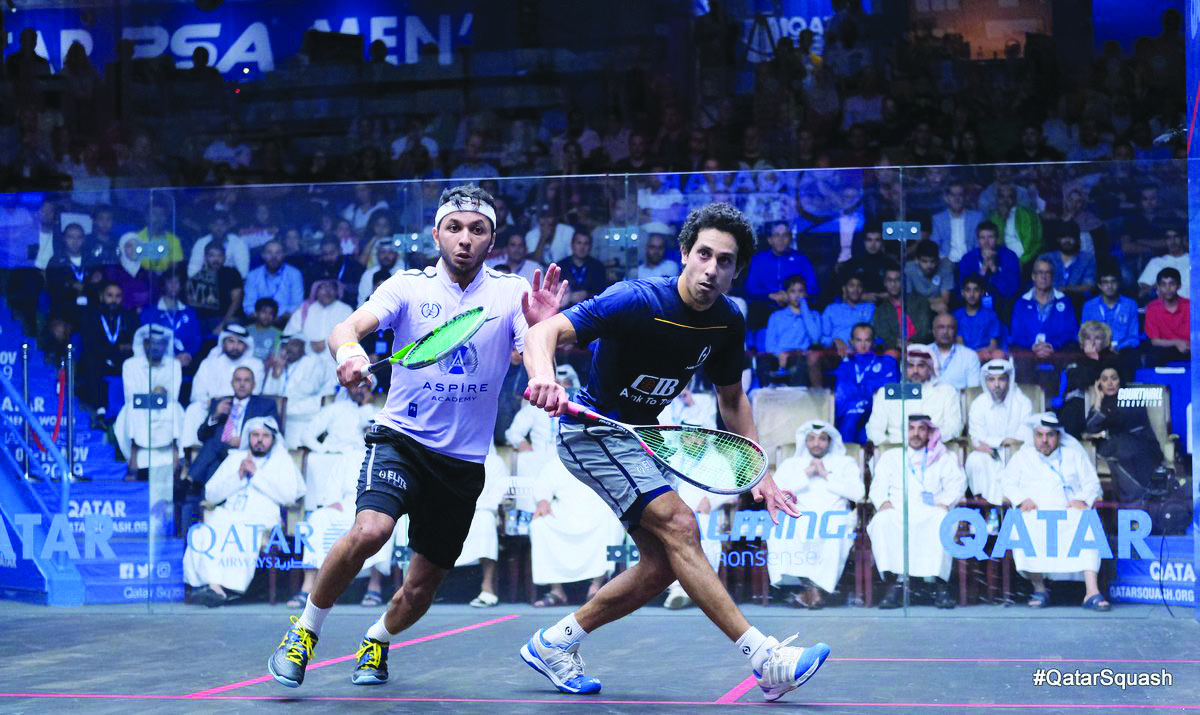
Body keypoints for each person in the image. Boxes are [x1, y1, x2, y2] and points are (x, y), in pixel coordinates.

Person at [521, 202, 828, 702]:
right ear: (684, 252)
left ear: (736, 270)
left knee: (662, 566)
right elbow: (543, 331)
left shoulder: (727, 321)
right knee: (682, 525)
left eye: (725, 261)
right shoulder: (636, 299)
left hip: (642, 438)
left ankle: (554, 643)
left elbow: (732, 399)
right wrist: (544, 377)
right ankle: (765, 658)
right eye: (703, 254)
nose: (711, 269)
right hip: (591, 430)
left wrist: (760, 472)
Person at [266, 184, 566, 688]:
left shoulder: (513, 291)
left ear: (492, 240)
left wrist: (544, 360)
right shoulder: (406, 286)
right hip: (401, 441)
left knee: (421, 588)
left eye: (477, 229)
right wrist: (351, 355)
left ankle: (377, 638)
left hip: (462, 464)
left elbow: (533, 346)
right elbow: (345, 329)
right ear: (436, 235)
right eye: (455, 228)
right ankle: (304, 631)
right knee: (370, 531)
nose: (465, 239)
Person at [183, 417, 306, 607]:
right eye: (255, 435)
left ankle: (220, 588)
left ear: (273, 439)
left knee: (240, 531)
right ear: (248, 437)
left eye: (265, 436)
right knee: (203, 532)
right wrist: (237, 477)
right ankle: (215, 587)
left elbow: (288, 496)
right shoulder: (235, 458)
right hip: (227, 514)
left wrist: (257, 474)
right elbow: (211, 494)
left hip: (261, 517)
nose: (260, 440)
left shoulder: (282, 460)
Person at [1001, 414, 1109, 611]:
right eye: (1039, 435)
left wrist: (1083, 499)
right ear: (1033, 436)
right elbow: (1007, 484)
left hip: (1070, 512)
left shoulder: (1074, 456)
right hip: (1035, 513)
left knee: (1087, 522)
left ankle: (1091, 592)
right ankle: (1039, 588)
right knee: (1024, 524)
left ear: (1058, 436)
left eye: (1050, 435)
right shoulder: (1022, 458)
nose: (1044, 440)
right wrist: (1021, 499)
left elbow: (1092, 484)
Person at [867, 415, 965, 609]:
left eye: (921, 429)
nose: (916, 433)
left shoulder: (943, 457)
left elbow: (957, 485)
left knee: (942, 521)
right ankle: (897, 583)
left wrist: (945, 503)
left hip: (932, 509)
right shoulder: (891, 457)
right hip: (898, 508)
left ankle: (940, 584)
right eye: (911, 428)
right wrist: (883, 502)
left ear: (929, 432)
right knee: (881, 521)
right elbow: (877, 486)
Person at [767, 421, 864, 609]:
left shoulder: (845, 463)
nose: (816, 444)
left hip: (834, 514)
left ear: (830, 441)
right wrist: (807, 473)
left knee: (833, 532)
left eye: (822, 439)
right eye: (811, 439)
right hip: (799, 514)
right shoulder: (791, 464)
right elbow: (775, 492)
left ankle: (812, 591)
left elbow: (858, 493)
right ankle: (812, 591)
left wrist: (826, 475)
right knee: (781, 531)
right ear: (805, 441)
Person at [529, 455, 625, 607]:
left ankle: (595, 588)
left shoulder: (603, 458)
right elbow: (542, 486)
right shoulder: (558, 461)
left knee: (613, 525)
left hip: (599, 511)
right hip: (565, 512)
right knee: (539, 525)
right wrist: (543, 501)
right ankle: (556, 591)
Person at [1059, 365, 1164, 505]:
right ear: (1099, 384)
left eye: (1114, 378)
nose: (1109, 383)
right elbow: (1090, 428)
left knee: (1127, 449)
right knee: (1117, 446)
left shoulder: (1133, 397)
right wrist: (1098, 400)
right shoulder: (1101, 403)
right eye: (1104, 379)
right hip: (1113, 446)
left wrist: (1104, 432)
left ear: (1120, 380)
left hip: (1139, 442)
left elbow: (1131, 425)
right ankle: (1140, 497)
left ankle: (1138, 498)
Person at [964, 359, 1032, 508]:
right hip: (989, 455)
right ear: (986, 381)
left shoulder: (1023, 402)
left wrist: (993, 442)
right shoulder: (978, 404)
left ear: (1009, 380)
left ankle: (1012, 510)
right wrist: (1003, 441)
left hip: (1016, 454)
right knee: (975, 460)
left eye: (1001, 379)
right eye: (991, 380)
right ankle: (986, 507)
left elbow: (1024, 437)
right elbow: (976, 438)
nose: (996, 384)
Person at [866, 344, 963, 445]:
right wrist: (887, 447)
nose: (915, 370)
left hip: (935, 448)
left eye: (921, 366)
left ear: (931, 368)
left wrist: (931, 440)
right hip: (896, 448)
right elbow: (874, 429)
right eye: (910, 366)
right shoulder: (887, 393)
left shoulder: (946, 392)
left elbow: (954, 427)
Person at [264, 333, 338, 449]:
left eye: (294, 345)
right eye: (286, 346)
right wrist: (276, 374)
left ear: (304, 347)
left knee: (294, 450)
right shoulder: (280, 365)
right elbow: (268, 394)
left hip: (303, 418)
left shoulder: (313, 362)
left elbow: (309, 389)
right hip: (281, 417)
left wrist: (283, 402)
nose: (289, 349)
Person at [831, 323, 900, 445]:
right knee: (852, 417)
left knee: (863, 430)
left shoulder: (886, 362)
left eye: (867, 340)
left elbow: (891, 390)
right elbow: (842, 394)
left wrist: (861, 390)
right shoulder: (845, 365)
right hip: (851, 415)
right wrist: (871, 387)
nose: (863, 345)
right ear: (851, 342)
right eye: (858, 340)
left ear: (873, 342)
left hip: (877, 412)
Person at [810, 276, 874, 387]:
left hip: (861, 353)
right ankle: (819, 395)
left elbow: (875, 336)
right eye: (852, 286)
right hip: (835, 354)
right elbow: (823, 337)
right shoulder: (832, 309)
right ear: (844, 289)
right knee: (813, 357)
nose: (855, 289)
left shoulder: (870, 308)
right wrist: (835, 340)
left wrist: (859, 345)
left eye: (859, 286)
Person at [759, 275, 821, 387]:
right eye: (792, 291)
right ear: (786, 294)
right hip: (780, 355)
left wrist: (804, 309)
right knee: (763, 361)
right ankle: (767, 392)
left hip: (800, 355)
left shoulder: (813, 315)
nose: (797, 295)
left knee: (801, 361)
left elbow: (815, 338)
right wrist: (780, 354)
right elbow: (770, 345)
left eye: (800, 291)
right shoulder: (776, 316)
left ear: (805, 294)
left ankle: (796, 394)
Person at [872, 268, 932, 354]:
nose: (893, 284)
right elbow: (883, 336)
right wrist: (897, 343)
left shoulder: (920, 302)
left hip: (920, 346)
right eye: (889, 280)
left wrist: (912, 342)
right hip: (895, 350)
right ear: (885, 283)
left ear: (903, 281)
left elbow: (924, 329)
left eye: (897, 280)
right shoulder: (881, 311)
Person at [1081, 267, 1141, 352]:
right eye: (1105, 282)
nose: (1109, 286)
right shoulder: (1089, 306)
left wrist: (1118, 347)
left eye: (1113, 281)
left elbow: (1134, 338)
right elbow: (1084, 335)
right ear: (1099, 285)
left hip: (1123, 351)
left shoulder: (1130, 305)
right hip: (1096, 350)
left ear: (1119, 283)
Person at [243, 240, 305, 321]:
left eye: (278, 253)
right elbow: (248, 305)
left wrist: (279, 319)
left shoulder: (294, 274)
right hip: (257, 321)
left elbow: (297, 304)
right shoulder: (252, 275)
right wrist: (262, 319)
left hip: (286, 321)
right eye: (269, 253)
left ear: (284, 255)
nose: (274, 257)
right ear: (263, 255)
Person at [953, 275, 1005, 361]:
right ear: (962, 293)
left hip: (985, 356)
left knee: (999, 354)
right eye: (968, 290)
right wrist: (974, 356)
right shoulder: (957, 315)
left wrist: (982, 354)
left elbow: (993, 345)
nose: (972, 294)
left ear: (982, 292)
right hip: (964, 358)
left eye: (976, 290)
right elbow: (960, 344)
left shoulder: (991, 315)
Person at [1144, 267, 1190, 364]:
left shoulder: (1190, 306)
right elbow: (1155, 341)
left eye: (1172, 284)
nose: (1167, 288)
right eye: (1163, 284)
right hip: (1164, 349)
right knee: (1152, 355)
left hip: (1188, 348)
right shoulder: (1152, 308)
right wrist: (1177, 343)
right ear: (1158, 287)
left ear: (1179, 286)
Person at [930, 181, 983, 263]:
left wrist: (973, 259)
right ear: (946, 198)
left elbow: (979, 243)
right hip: (946, 261)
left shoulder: (977, 218)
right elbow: (934, 244)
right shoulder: (938, 219)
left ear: (965, 197)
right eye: (953, 195)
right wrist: (943, 259)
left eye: (960, 195)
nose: (957, 198)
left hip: (971, 260)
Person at [187, 213, 249, 278]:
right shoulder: (201, 243)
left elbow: (243, 272)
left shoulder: (238, 242)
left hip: (231, 280)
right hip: (206, 279)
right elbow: (192, 271)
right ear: (210, 226)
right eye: (215, 225)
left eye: (223, 225)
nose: (219, 228)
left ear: (228, 226)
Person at [930, 313, 980, 390]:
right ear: (933, 331)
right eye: (941, 327)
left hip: (958, 398)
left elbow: (973, 391)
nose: (945, 332)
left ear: (956, 332)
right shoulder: (922, 353)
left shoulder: (970, 356)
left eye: (950, 328)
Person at [903, 239, 954, 315]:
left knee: (943, 307)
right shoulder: (908, 269)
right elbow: (909, 300)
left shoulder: (946, 268)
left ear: (938, 260)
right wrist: (929, 305)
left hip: (938, 307)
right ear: (917, 260)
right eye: (924, 261)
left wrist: (924, 302)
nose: (929, 265)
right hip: (916, 309)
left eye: (932, 261)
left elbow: (945, 299)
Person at [1137, 228, 1188, 300]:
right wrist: (1158, 286)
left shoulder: (1195, 261)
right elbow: (1142, 293)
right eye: (1168, 238)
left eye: (1176, 237)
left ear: (1183, 238)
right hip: (1164, 304)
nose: (1172, 241)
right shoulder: (1156, 262)